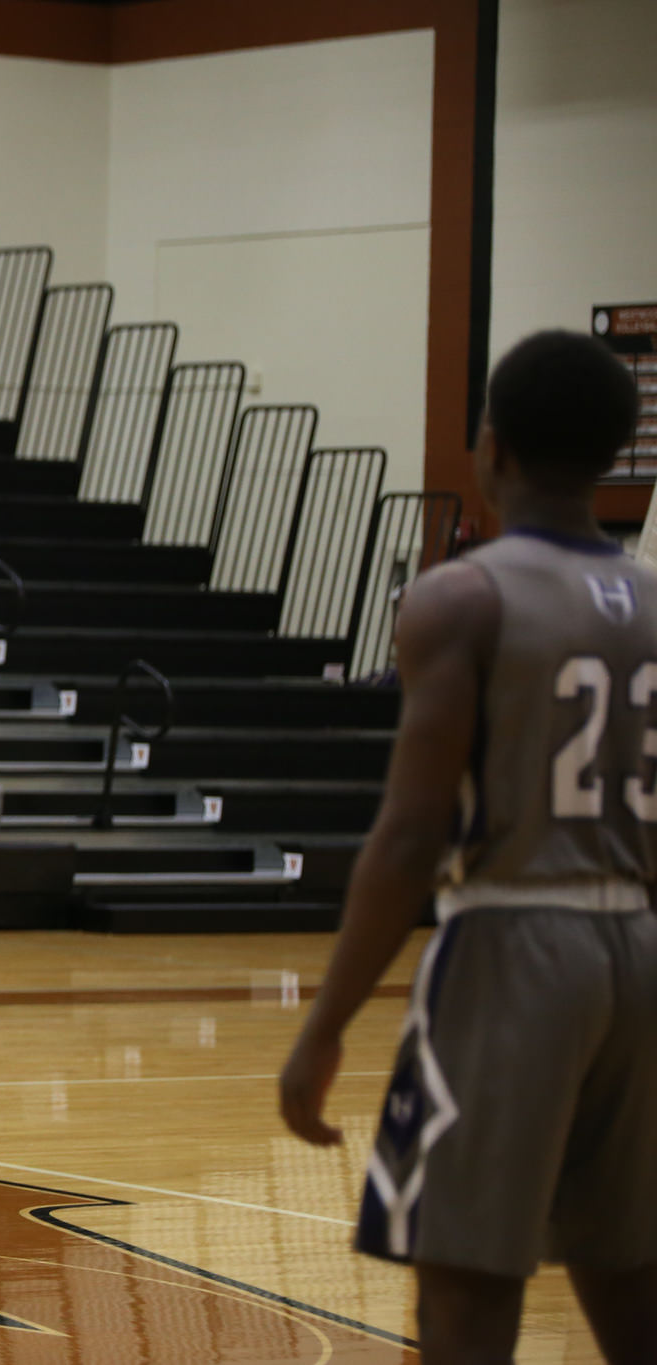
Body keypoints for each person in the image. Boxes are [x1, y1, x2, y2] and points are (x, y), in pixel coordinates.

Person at [279, 331, 657, 1364]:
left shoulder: (460, 596)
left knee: (463, 1286)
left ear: (487, 450)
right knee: (627, 1275)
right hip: (637, 945)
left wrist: (323, 1026)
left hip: (514, 946)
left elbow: (408, 836)